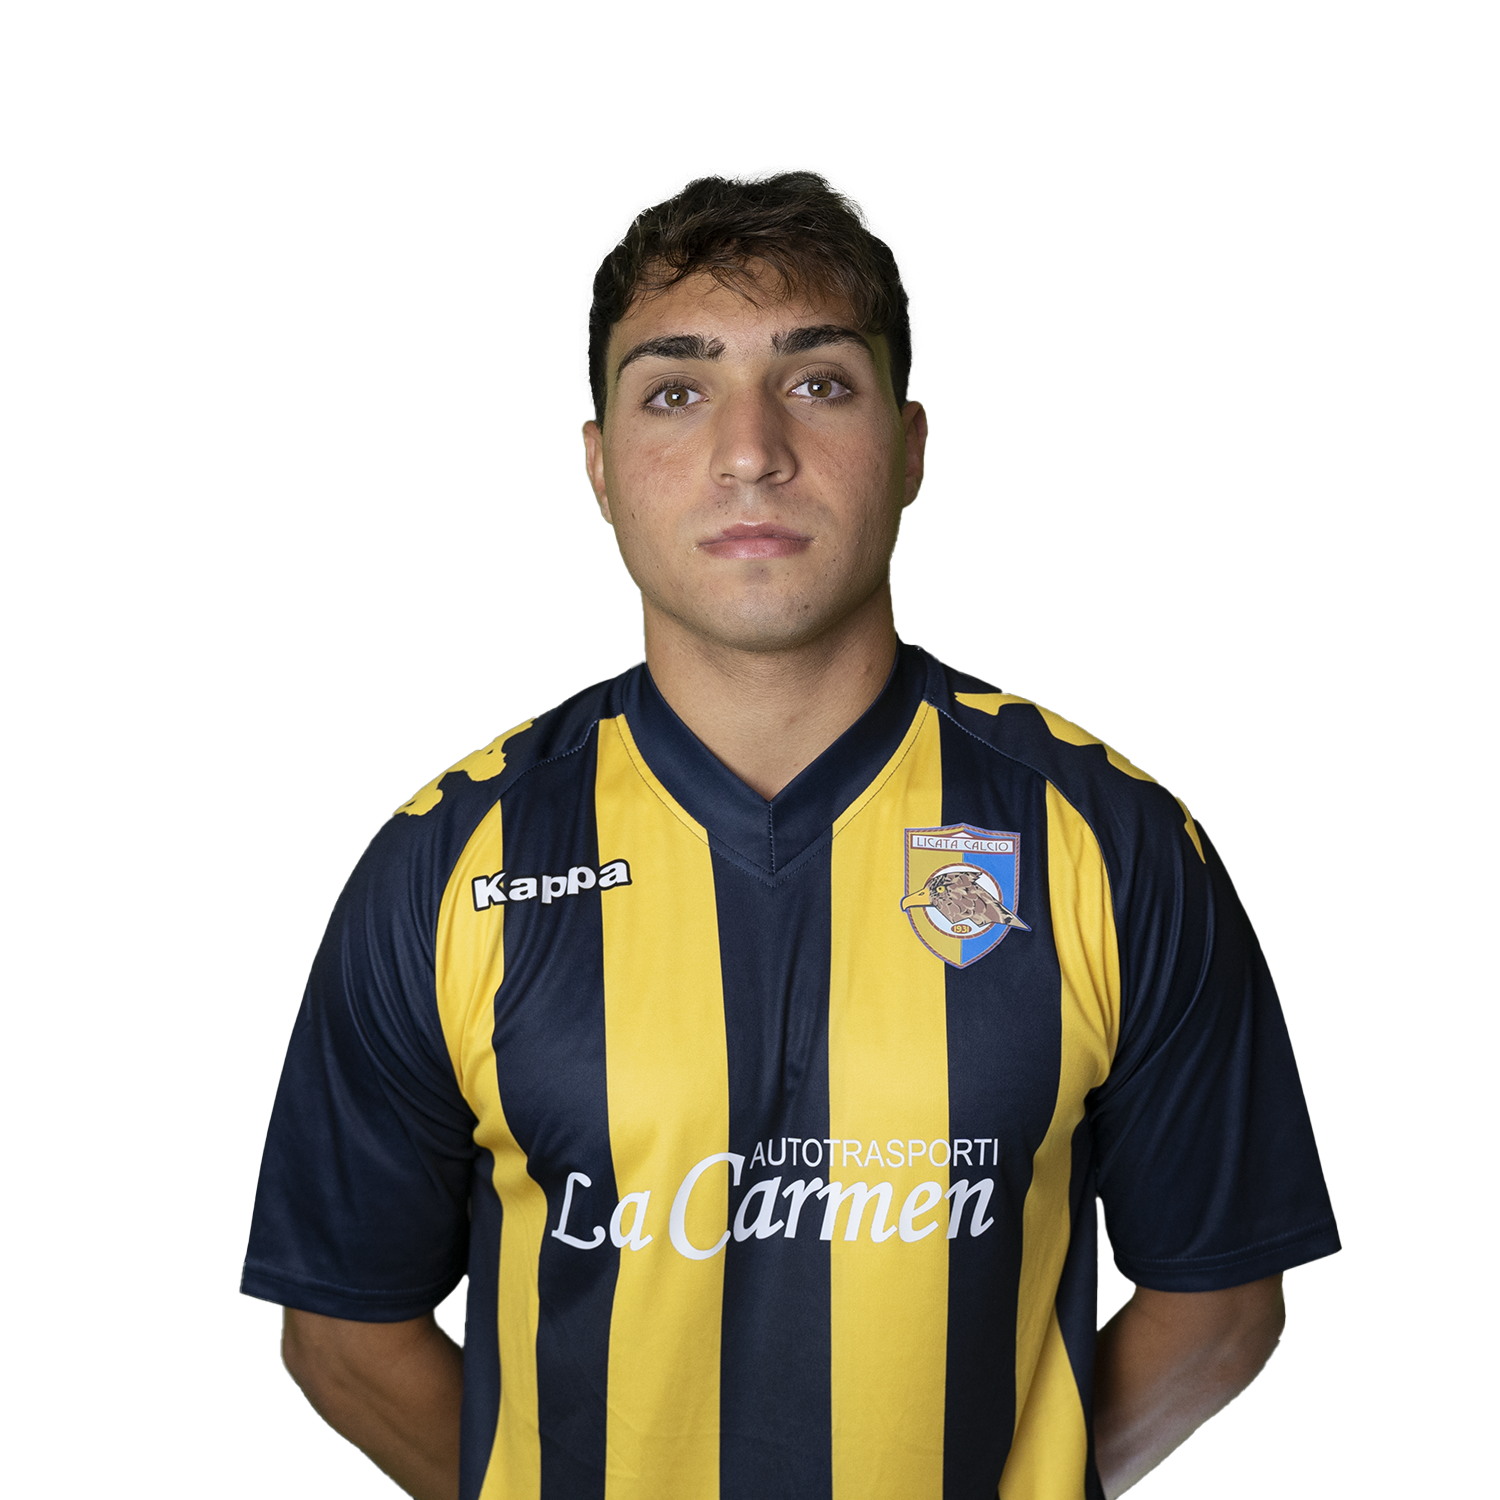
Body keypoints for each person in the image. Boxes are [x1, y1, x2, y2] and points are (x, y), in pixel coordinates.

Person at [241, 172, 1339, 1500]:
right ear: (599, 467)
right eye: (675, 391)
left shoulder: (1108, 843)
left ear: (910, 446)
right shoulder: (449, 867)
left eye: (818, 383)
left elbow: (1220, 1311)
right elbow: (343, 1339)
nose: (750, 449)